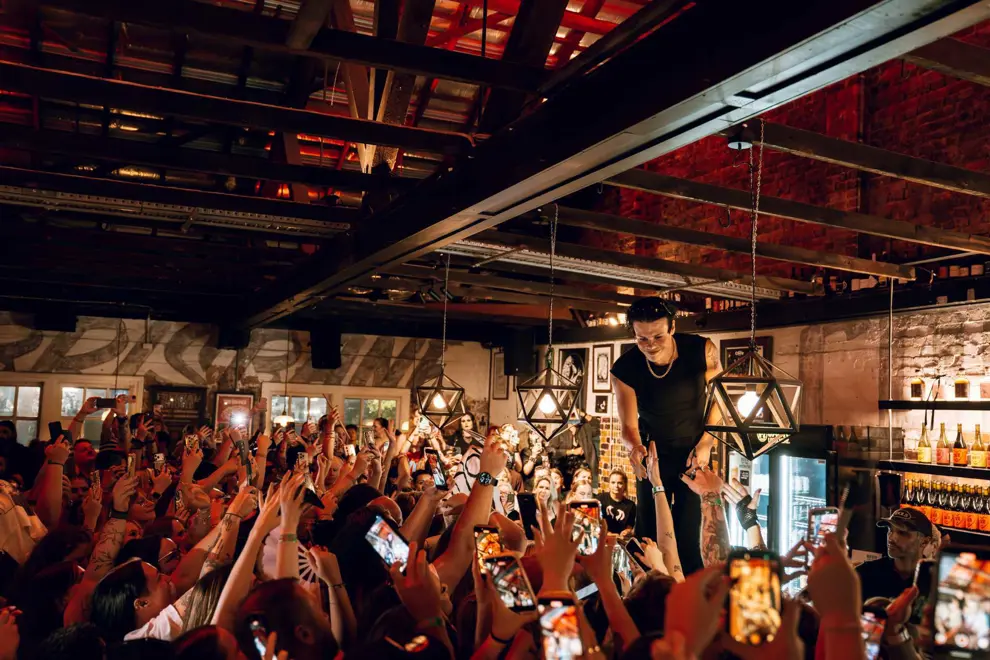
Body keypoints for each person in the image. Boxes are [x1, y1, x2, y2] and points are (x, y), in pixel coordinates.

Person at [611, 296, 722, 573]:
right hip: (652, 456)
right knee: (647, 530)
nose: (651, 345)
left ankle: (693, 595)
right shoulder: (624, 368)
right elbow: (628, 426)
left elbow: (720, 400)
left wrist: (707, 442)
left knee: (690, 533)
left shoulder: (701, 350)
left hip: (693, 453)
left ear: (672, 328)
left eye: (658, 336)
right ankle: (646, 592)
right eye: (642, 339)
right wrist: (635, 447)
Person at [856, 507, 932, 601]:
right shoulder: (867, 573)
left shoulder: (933, 580)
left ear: (924, 541)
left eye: (902, 533)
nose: (891, 538)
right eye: (890, 530)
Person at [598, 469, 636, 535]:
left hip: (620, 540)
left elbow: (629, 526)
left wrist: (627, 531)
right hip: (602, 537)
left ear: (625, 485)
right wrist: (608, 534)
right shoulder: (601, 498)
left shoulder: (630, 505)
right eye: (613, 482)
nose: (616, 486)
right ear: (609, 484)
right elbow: (595, 522)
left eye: (620, 483)